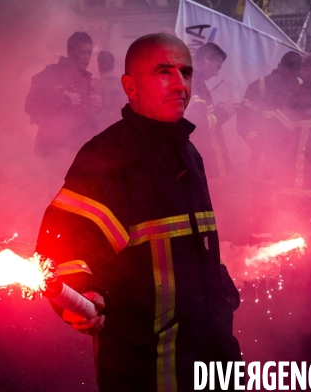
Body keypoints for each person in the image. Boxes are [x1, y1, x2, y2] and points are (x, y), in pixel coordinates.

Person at [35, 33, 242, 392]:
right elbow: (61, 246)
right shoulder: (108, 157)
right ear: (129, 86)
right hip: (148, 370)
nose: (180, 84)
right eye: (164, 71)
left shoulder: (189, 153)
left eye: (187, 73)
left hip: (211, 357)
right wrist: (85, 295)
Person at [25, 31, 102, 193]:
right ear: (70, 52)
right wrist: (63, 100)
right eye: (82, 52)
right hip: (58, 148)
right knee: (59, 194)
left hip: (80, 149)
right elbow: (31, 105)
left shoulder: (85, 79)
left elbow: (84, 118)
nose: (86, 57)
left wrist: (95, 106)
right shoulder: (51, 74)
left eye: (89, 52)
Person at [237, 51, 302, 236]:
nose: (290, 77)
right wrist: (259, 145)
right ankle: (258, 244)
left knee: (288, 203)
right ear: (280, 66)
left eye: (294, 74)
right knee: (261, 204)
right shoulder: (259, 86)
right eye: (287, 72)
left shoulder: (301, 86)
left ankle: (282, 241)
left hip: (292, 159)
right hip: (263, 160)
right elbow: (244, 120)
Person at [185, 42, 239, 178]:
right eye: (217, 67)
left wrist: (219, 109)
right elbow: (199, 124)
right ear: (206, 59)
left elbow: (200, 113)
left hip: (204, 162)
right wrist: (225, 112)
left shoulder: (195, 80)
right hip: (207, 165)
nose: (216, 73)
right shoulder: (192, 83)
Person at [91, 51, 126, 132]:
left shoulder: (95, 84)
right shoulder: (122, 84)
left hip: (103, 131)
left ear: (99, 65)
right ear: (113, 65)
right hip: (121, 129)